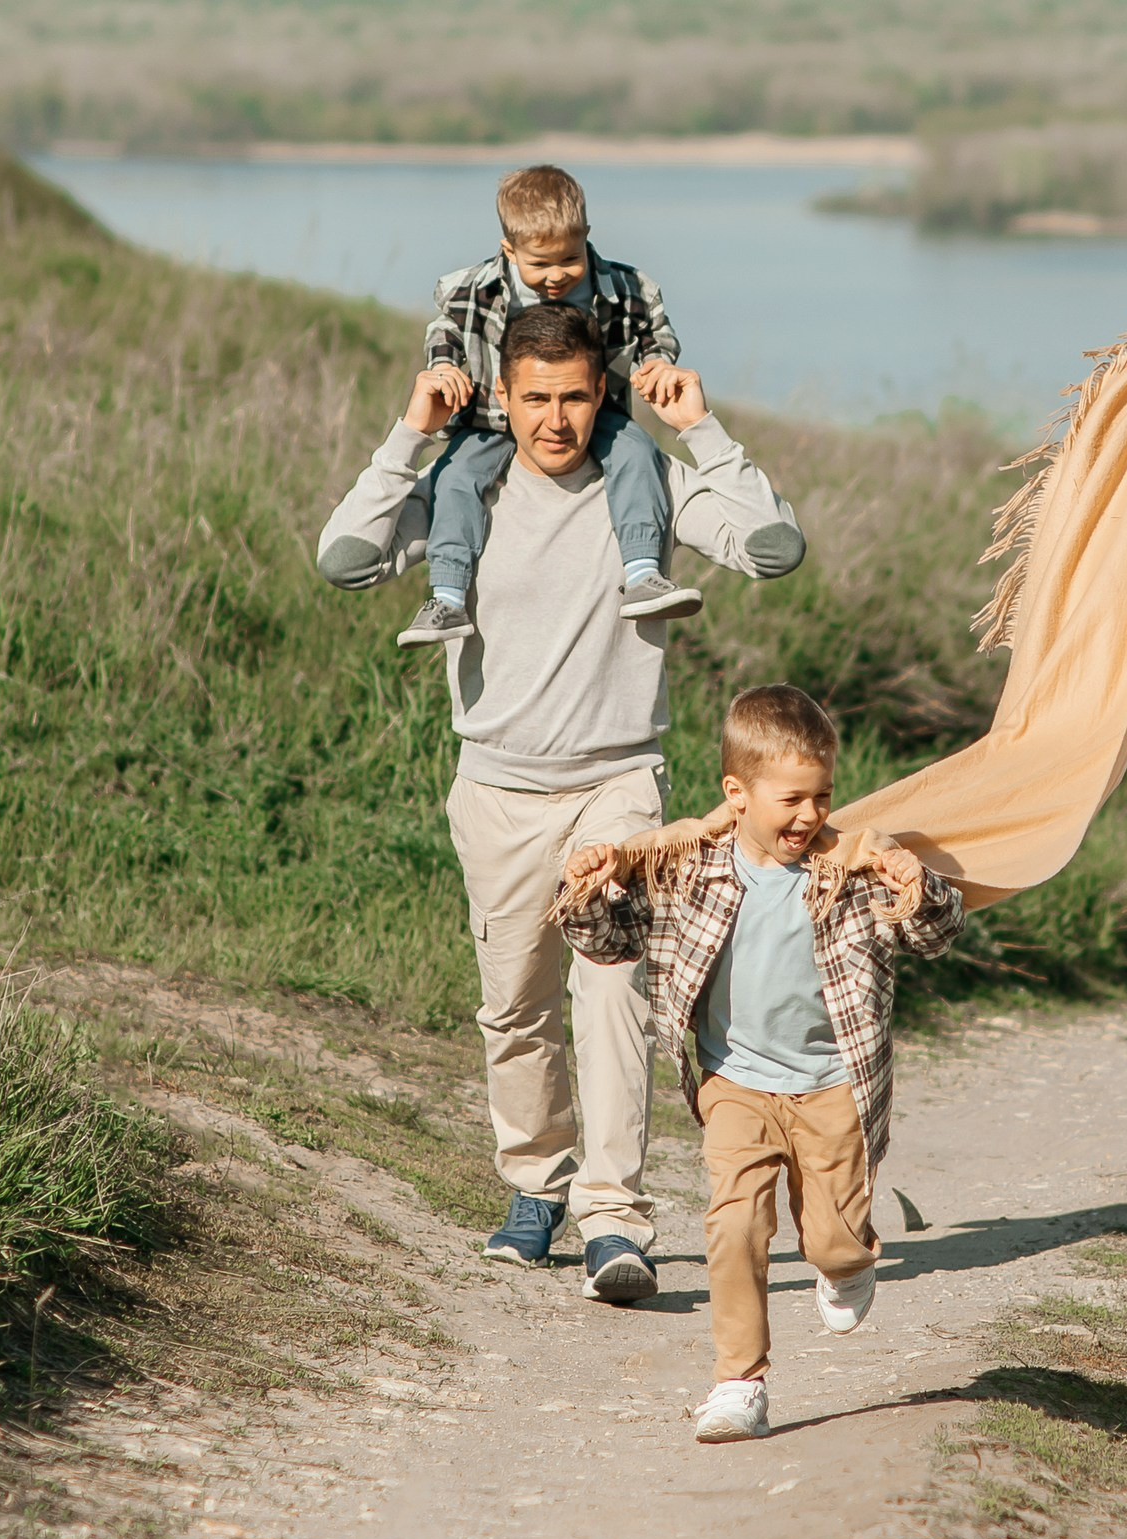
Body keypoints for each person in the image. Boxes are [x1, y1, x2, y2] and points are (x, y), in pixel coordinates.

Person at [315, 301, 808, 1305]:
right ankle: (534, 1186)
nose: (555, 419)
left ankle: (613, 1217)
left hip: (619, 783)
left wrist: (699, 427)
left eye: (576, 397)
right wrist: (411, 432)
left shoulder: (648, 485)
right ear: (503, 397)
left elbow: (771, 549)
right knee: (515, 1005)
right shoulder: (467, 490)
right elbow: (345, 557)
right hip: (496, 786)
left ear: (603, 395)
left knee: (614, 991)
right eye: (535, 398)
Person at [556, 686, 965, 1443]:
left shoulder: (853, 871)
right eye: (792, 800)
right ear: (736, 796)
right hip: (734, 1081)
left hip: (831, 1086)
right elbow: (612, 942)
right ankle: (738, 1382)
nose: (809, 816)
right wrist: (584, 892)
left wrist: (918, 888)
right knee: (734, 1221)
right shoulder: (687, 868)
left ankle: (846, 1261)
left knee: (832, 1240)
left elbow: (933, 937)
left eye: (823, 797)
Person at [397, 163, 700, 649]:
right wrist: (444, 367)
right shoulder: (476, 289)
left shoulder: (625, 289)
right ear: (509, 250)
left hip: (591, 414)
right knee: (455, 479)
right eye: (539, 265)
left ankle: (644, 571)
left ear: (586, 238)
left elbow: (654, 335)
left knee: (638, 455)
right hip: (490, 419)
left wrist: (659, 364)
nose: (556, 276)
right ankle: (447, 596)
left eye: (570, 259)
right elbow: (444, 332)